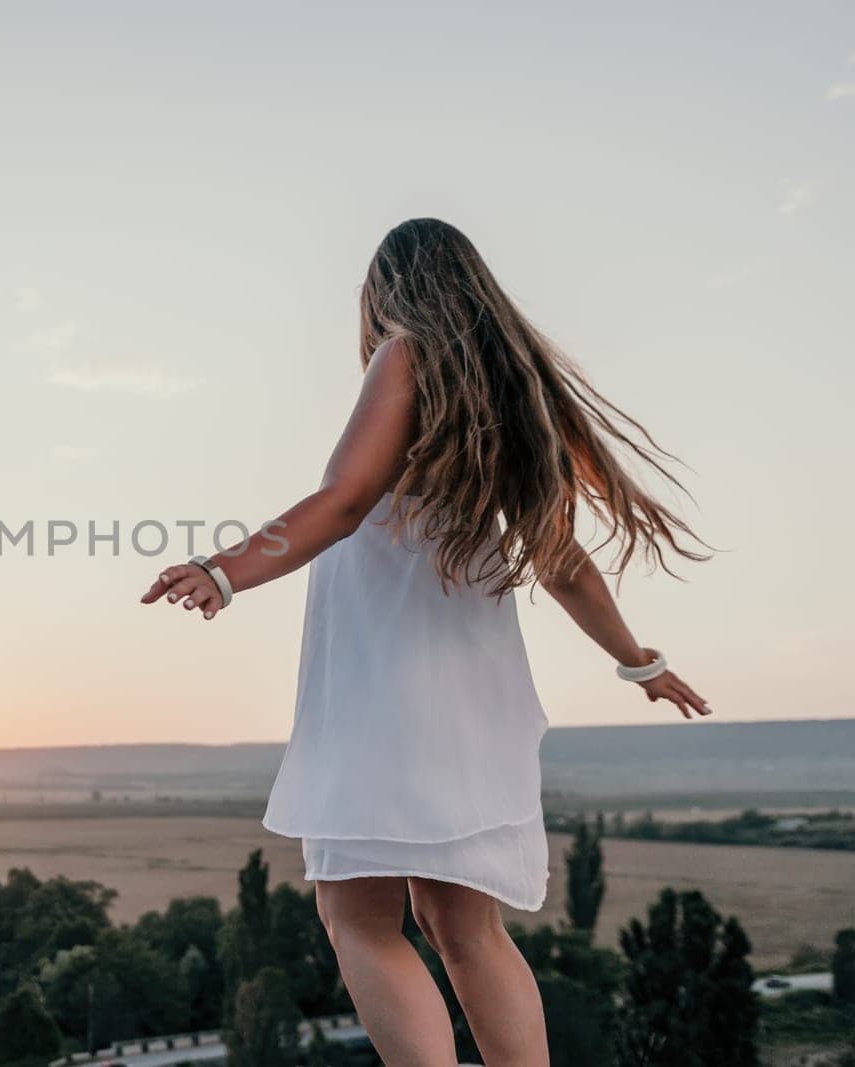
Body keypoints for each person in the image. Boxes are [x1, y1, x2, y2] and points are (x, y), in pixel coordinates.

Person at [140, 218, 711, 1066]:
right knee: (464, 928)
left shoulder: (403, 357)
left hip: (384, 701)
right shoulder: (499, 407)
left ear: (388, 293)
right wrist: (641, 662)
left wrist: (223, 569)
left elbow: (343, 498)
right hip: (474, 711)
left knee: (358, 920)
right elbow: (566, 565)